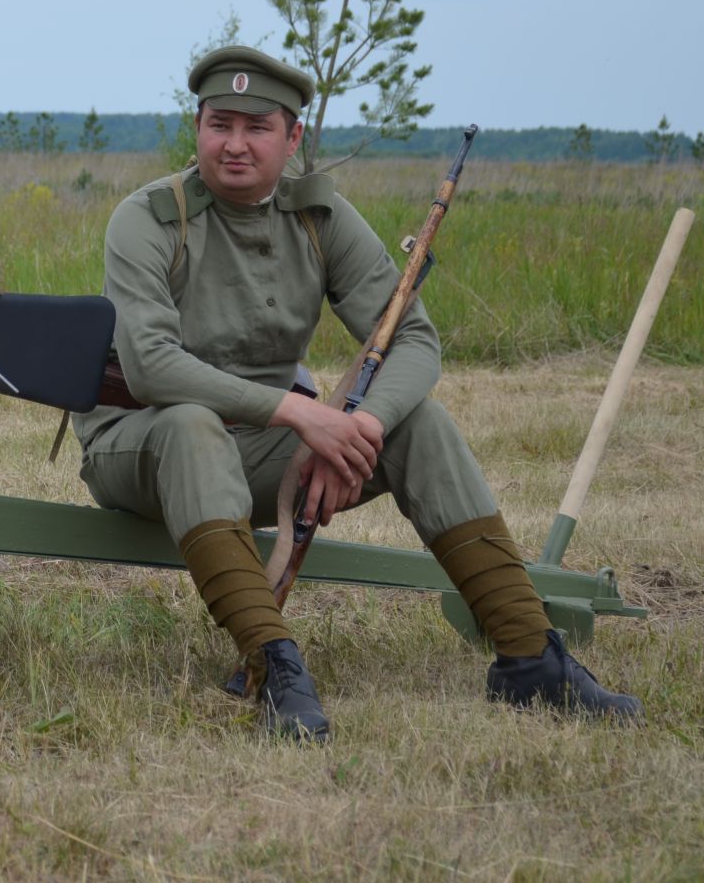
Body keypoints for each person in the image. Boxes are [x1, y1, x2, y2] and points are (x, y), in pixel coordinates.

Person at [71, 47, 639, 741]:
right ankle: (276, 668)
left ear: (293, 138)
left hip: (250, 453)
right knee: (192, 423)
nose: (235, 144)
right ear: (198, 128)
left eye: (258, 128)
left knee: (417, 424)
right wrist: (305, 415)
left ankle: (530, 659)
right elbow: (154, 367)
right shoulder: (150, 218)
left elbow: (415, 339)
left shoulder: (318, 218)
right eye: (220, 124)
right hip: (140, 447)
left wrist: (360, 426)